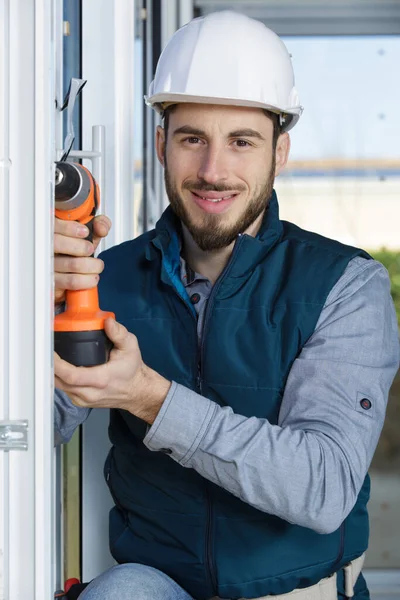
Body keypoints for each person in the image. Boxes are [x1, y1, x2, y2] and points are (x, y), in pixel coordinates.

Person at [54, 11, 399, 600]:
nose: (213, 171)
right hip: (157, 583)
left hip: (298, 591)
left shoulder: (345, 285)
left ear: (279, 151)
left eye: (242, 141)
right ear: (162, 143)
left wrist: (150, 397)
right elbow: (29, 427)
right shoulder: (104, 280)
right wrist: (30, 305)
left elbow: (323, 488)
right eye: (193, 139)